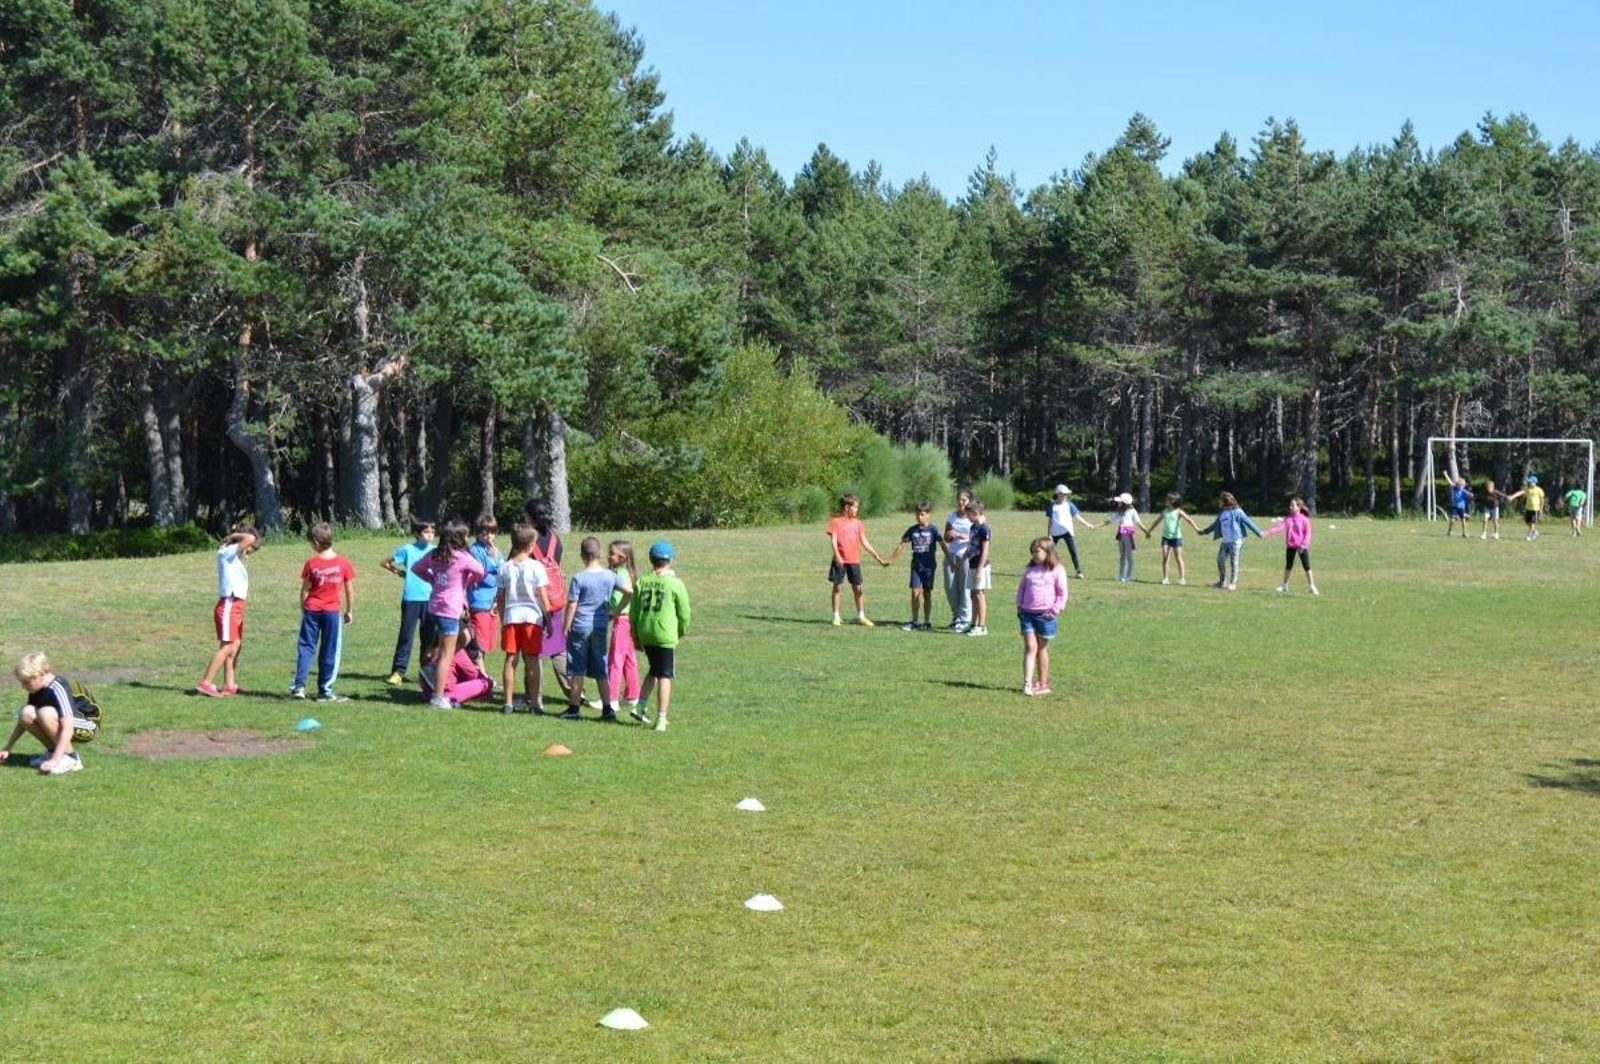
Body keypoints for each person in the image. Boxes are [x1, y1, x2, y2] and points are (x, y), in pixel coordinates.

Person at [412, 520, 485, 709]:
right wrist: (468, 581)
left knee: (447, 646)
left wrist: (433, 580)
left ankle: (433, 681)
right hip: (451, 610)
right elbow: (480, 571)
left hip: (434, 606)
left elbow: (416, 568)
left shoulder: (434, 554)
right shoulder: (462, 557)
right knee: (447, 654)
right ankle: (438, 696)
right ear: (459, 538)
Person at [562, 537, 628, 722]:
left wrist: (566, 626)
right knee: (600, 669)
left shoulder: (579, 578)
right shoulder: (610, 575)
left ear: (583, 556)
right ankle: (608, 710)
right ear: (599, 554)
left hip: (580, 628)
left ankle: (574, 709)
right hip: (600, 627)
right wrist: (616, 611)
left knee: (577, 669)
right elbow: (629, 591)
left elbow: (572, 605)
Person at [630, 540, 692, 732]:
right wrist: (681, 630)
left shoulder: (642, 582)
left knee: (654, 669)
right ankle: (661, 718)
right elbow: (684, 613)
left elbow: (633, 612)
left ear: (651, 560)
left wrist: (635, 635)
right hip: (664, 633)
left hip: (646, 632)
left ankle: (640, 706)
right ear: (670, 561)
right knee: (665, 675)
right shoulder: (675, 583)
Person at [290, 522, 355, 702]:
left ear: (316, 542)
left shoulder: (311, 563)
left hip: (312, 610)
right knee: (330, 650)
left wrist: (305, 609)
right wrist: (349, 611)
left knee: (306, 647)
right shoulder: (343, 563)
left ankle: (299, 687)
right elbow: (349, 590)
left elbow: (304, 590)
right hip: (332, 612)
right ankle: (324, 691)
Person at [2, 652, 96, 775]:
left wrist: (55, 760)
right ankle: (54, 752)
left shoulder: (59, 687)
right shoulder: (37, 689)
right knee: (26, 712)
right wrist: (7, 748)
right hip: (68, 723)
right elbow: (23, 721)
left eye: (26, 682)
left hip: (88, 725)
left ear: (41, 674)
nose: (23, 687)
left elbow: (68, 727)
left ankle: (71, 759)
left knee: (45, 713)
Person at [495, 523, 553, 714]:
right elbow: (543, 597)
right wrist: (549, 620)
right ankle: (535, 704)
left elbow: (500, 598)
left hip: (511, 617)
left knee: (510, 659)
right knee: (532, 661)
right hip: (532, 619)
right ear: (530, 545)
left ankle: (508, 703)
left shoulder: (504, 567)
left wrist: (503, 620)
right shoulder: (536, 566)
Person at [196, 525, 259, 697]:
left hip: (237, 606)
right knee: (227, 646)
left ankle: (229, 685)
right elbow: (250, 539)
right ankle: (206, 683)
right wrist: (234, 536)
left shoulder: (234, 555)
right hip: (229, 605)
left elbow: (250, 541)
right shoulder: (227, 552)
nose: (249, 552)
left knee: (236, 645)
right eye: (249, 549)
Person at [525, 502, 570, 707]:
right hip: (556, 601)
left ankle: (535, 697)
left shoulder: (527, 541)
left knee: (534, 653)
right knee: (559, 648)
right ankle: (575, 691)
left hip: (535, 603)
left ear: (530, 518)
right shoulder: (555, 540)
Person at [381, 518, 436, 685]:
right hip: (411, 598)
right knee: (406, 636)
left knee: (429, 638)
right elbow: (385, 562)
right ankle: (398, 672)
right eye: (426, 532)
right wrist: (399, 572)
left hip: (430, 599)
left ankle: (425, 672)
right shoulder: (407, 549)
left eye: (433, 532)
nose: (430, 535)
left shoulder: (436, 550)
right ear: (417, 534)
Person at [1016, 538, 1068, 697]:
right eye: (1032, 551)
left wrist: (1054, 610)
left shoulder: (1057, 569)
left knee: (1041, 648)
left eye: (1037, 551)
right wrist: (1019, 605)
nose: (1034, 554)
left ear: (1048, 551)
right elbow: (1022, 588)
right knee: (1031, 647)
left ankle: (1042, 683)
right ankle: (1027, 683)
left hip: (1045, 615)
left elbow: (1062, 593)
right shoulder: (1030, 570)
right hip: (1026, 613)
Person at [826, 494, 888, 627]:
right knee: (837, 587)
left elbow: (864, 542)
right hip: (840, 561)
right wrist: (837, 555)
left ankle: (861, 616)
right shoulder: (835, 522)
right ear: (847, 507)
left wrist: (878, 557)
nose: (857, 510)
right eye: (855, 507)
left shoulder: (858, 524)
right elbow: (833, 540)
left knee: (858, 588)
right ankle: (836, 616)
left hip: (854, 560)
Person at [886, 502, 944, 630]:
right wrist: (890, 560)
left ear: (928, 515)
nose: (919, 517)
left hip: (929, 567)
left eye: (922, 514)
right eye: (917, 514)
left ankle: (927, 621)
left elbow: (942, 544)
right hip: (916, 567)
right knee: (914, 592)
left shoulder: (933, 530)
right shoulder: (912, 530)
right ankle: (915, 621)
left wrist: (950, 560)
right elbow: (902, 545)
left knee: (927, 593)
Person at [1197, 492, 1264, 591]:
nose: (1218, 502)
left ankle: (1233, 583)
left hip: (1235, 541)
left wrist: (1259, 532)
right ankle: (1222, 582)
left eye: (1220, 500)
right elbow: (1214, 525)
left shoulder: (1238, 512)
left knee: (1234, 562)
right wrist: (1204, 532)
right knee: (1220, 560)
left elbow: (1248, 522)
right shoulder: (1222, 514)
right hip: (1225, 541)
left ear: (1225, 502)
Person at [606, 540, 642, 718]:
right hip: (629, 621)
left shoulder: (619, 574)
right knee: (629, 659)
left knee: (615, 660)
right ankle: (632, 695)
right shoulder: (626, 572)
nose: (608, 556)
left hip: (622, 621)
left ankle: (611, 699)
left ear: (623, 558)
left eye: (612, 553)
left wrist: (615, 611)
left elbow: (629, 594)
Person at [1263, 497, 1319, 595]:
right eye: (1290, 505)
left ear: (1299, 507)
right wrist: (1268, 533)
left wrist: (1303, 545)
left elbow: (1308, 533)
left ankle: (1312, 586)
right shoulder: (1288, 518)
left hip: (1301, 546)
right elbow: (1279, 528)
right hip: (1291, 546)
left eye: (1293, 505)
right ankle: (1284, 585)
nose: (1290, 507)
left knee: (1307, 566)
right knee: (1288, 566)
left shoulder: (1304, 519)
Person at [467, 515, 502, 655]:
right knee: (480, 639)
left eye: (492, 532)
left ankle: (481, 671)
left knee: (489, 640)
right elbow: (480, 574)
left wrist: (495, 560)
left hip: (493, 600)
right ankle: (477, 671)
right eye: (485, 532)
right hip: (479, 600)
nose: (489, 536)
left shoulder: (496, 551)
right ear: (478, 532)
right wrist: (496, 578)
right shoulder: (474, 550)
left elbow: (504, 571)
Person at [1148, 493, 1202, 585]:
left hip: (1176, 538)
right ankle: (1165, 578)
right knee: (1165, 557)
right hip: (1166, 537)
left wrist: (1196, 529)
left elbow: (1189, 520)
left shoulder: (1179, 511)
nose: (1166, 501)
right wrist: (1149, 531)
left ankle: (1182, 578)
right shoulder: (1165, 511)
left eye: (1168, 499)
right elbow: (1157, 521)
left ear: (1173, 501)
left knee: (1178, 558)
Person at [943, 488, 974, 628]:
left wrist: (965, 537)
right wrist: (950, 535)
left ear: (969, 501)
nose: (961, 503)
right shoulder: (951, 516)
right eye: (959, 500)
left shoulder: (973, 517)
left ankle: (965, 619)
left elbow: (979, 538)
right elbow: (945, 538)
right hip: (951, 555)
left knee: (965, 587)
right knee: (950, 587)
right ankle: (956, 616)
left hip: (966, 556)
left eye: (964, 500)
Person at [1046, 484, 1093, 579]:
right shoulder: (1052, 506)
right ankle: (1047, 569)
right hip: (1055, 533)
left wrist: (1087, 524)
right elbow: (1050, 521)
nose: (1065, 496)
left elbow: (1078, 517)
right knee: (1049, 551)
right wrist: (1049, 534)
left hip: (1068, 532)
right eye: (1063, 494)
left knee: (1073, 551)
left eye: (1066, 494)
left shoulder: (1069, 505)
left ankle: (1078, 571)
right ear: (1058, 494)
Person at [964, 500, 993, 636]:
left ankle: (982, 626)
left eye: (968, 515)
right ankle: (973, 624)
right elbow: (971, 547)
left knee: (979, 594)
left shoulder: (984, 528)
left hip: (981, 566)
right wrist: (961, 561)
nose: (967, 517)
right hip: (972, 564)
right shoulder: (972, 527)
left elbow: (985, 551)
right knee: (973, 594)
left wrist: (980, 570)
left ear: (975, 513)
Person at [1108, 492, 1142, 582]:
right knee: (1122, 555)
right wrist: (1096, 526)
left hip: (1128, 532)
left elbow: (1138, 523)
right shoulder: (1120, 512)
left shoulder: (1132, 511)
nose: (1118, 503)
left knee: (1129, 555)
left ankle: (1128, 576)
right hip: (1121, 532)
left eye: (1120, 502)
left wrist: (1147, 532)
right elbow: (1109, 520)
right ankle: (1121, 575)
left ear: (1125, 503)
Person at [1504, 475, 1546, 541]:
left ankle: (1529, 536)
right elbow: (1520, 493)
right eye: (1528, 482)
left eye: (1530, 482)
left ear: (1534, 482)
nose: (1528, 483)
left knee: (1532, 523)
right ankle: (1534, 531)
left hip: (1535, 509)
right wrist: (1512, 497)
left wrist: (1541, 509)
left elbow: (1542, 500)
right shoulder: (1527, 489)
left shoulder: (1539, 490)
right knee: (1527, 522)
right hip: (1528, 508)